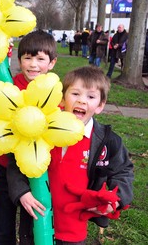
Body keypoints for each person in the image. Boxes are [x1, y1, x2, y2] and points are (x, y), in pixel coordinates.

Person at [8, 66, 134, 244]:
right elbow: (17, 162)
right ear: (62, 98)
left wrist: (115, 199)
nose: (82, 101)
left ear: (100, 105)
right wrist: (22, 192)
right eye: (75, 94)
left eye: (90, 97)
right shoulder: (42, 131)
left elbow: (123, 172)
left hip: (74, 228)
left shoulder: (107, 141)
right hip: (36, 221)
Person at [0, 30, 57, 245]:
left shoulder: (53, 90)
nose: (33, 64)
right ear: (19, 61)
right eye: (27, 58)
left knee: (32, 221)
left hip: (38, 169)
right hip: (7, 165)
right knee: (1, 223)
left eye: (40, 59)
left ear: (51, 63)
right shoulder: (9, 84)